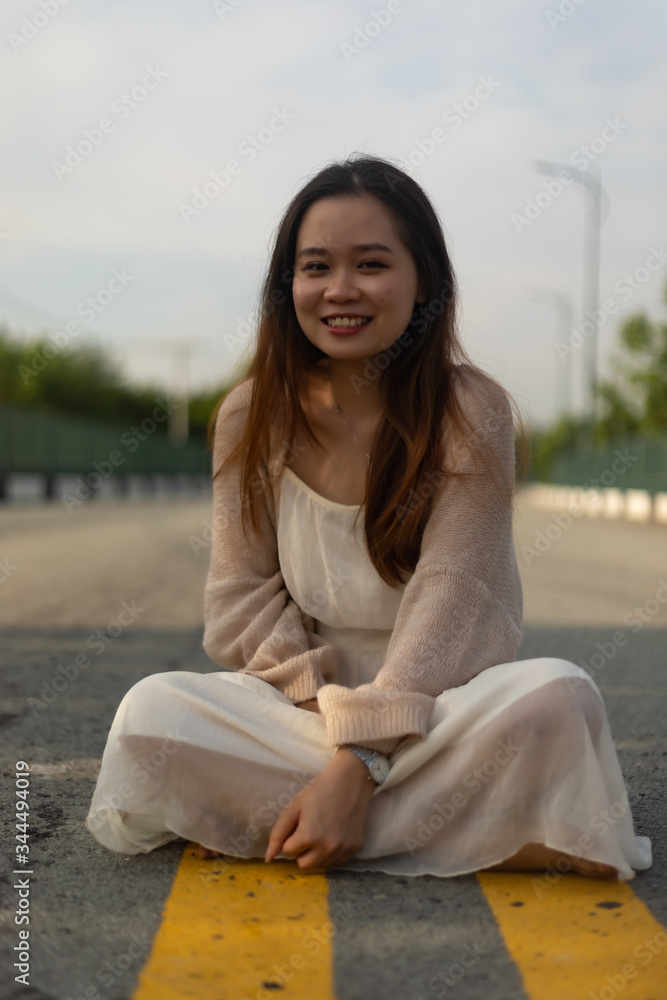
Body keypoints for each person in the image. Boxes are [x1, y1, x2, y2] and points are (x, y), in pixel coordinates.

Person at [86, 154, 651, 882]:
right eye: (315, 266)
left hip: (439, 708)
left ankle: (300, 819)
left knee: (558, 694)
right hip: (301, 706)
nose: (339, 290)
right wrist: (336, 724)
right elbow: (238, 600)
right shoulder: (249, 414)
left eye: (371, 264)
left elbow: (459, 597)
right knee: (151, 712)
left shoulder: (468, 411)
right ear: (286, 284)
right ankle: (481, 830)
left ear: (423, 285)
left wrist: (360, 758)